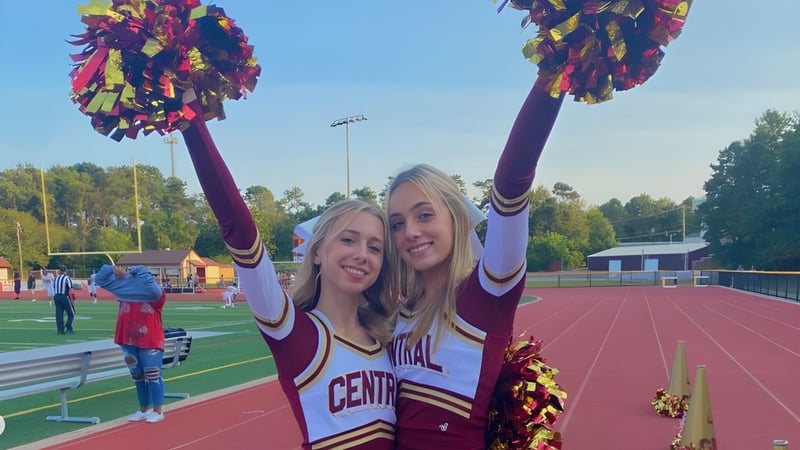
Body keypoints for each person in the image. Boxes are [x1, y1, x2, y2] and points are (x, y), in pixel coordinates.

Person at [181, 99, 398, 449]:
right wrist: (191, 120)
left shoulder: (388, 334)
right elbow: (237, 227)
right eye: (348, 240)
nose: (362, 254)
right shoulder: (293, 331)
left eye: (375, 247)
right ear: (317, 253)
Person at [384, 77, 563, 449]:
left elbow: (512, 182)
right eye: (397, 223)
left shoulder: (488, 293)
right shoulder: (398, 312)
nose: (411, 232)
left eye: (424, 215)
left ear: (455, 218)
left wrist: (556, 72)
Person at [95, 264, 167, 423]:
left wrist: (138, 269)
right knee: (137, 376)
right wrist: (112, 269)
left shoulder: (155, 295)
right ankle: (143, 409)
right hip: (128, 339)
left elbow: (154, 288)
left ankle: (158, 410)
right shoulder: (122, 291)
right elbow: (100, 279)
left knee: (153, 374)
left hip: (150, 340)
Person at [53, 265, 75, 335]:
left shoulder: (56, 278)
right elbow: (71, 289)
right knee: (71, 313)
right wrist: (73, 299)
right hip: (64, 296)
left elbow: (54, 287)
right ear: (65, 270)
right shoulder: (66, 277)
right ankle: (68, 327)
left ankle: (60, 330)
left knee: (59, 314)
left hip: (56, 296)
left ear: (59, 270)